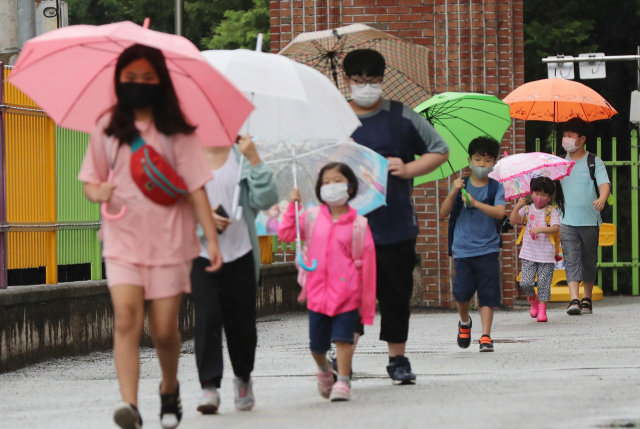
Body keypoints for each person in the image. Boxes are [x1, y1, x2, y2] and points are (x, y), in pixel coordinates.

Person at [78, 44, 223, 429]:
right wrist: (99, 192)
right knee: (126, 319)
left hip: (171, 243)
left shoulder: (177, 131)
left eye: (147, 78)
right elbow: (90, 182)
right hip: (122, 240)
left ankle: (169, 387)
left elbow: (196, 189)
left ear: (160, 82)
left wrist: (211, 240)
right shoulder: (107, 126)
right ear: (118, 81)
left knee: (163, 329)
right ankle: (130, 406)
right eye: (130, 78)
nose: (138, 85)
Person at [343, 49, 449, 384]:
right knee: (349, 295)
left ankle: (397, 359)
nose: (366, 87)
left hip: (396, 224)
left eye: (372, 80)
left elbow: (439, 150)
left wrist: (407, 168)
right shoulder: (336, 120)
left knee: (395, 295)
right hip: (348, 228)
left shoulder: (402, 117)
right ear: (347, 80)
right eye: (359, 81)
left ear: (383, 79)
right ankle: (342, 356)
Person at [190, 136, 278, 414]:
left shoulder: (239, 157)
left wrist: (254, 159)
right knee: (207, 317)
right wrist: (204, 220)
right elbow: (177, 207)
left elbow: (267, 199)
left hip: (241, 254)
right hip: (201, 254)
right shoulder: (188, 158)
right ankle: (209, 386)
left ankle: (242, 377)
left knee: (242, 323)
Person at [278, 163, 376, 402]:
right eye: (327, 182)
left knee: (344, 339)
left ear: (349, 186)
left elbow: (369, 265)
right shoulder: (310, 217)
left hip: (347, 293)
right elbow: (286, 233)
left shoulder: (359, 225)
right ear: (319, 188)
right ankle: (324, 370)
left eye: (337, 180)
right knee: (317, 345)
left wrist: (366, 305)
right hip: (317, 293)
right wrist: (293, 206)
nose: (332, 186)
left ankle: (343, 382)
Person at [440, 136, 505, 352]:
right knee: (462, 292)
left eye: (487, 161)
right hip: (463, 250)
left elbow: (500, 212)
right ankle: (465, 322)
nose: (482, 165)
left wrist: (476, 203)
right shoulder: (461, 185)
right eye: (478, 160)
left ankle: (486, 335)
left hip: (488, 249)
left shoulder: (496, 188)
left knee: (488, 294)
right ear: (469, 160)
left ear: (494, 162)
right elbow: (443, 213)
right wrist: (453, 192)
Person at [558, 117, 610, 315]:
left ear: (582, 139)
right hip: (566, 220)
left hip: (589, 220)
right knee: (571, 258)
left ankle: (586, 298)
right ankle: (574, 300)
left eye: (570, 136)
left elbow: (604, 183)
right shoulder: (560, 162)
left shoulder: (593, 161)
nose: (566, 139)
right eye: (564, 135)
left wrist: (602, 198)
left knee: (588, 259)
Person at [510, 177, 562, 322]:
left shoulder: (551, 211)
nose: (539, 198)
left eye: (544, 195)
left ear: (550, 197)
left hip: (546, 255)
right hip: (528, 253)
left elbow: (555, 228)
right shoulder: (526, 209)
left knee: (544, 284)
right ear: (531, 193)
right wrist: (517, 207)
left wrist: (540, 229)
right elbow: (514, 220)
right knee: (525, 283)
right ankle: (533, 299)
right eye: (536, 193)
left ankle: (542, 311)